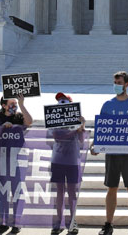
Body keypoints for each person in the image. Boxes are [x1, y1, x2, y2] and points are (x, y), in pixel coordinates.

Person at [91, 71, 128, 235]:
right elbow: (101, 128)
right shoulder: (107, 104)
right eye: (115, 82)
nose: (116, 85)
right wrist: (93, 146)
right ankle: (108, 224)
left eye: (119, 82)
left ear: (127, 84)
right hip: (112, 153)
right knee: (111, 188)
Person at [0, 94, 32, 235]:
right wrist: (1, 128)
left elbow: (29, 122)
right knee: (2, 191)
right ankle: (4, 222)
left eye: (15, 103)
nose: (14, 105)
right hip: (1, 158)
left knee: (17, 190)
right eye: (11, 103)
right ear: (4, 105)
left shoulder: (19, 116)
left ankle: (17, 222)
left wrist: (22, 104)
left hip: (17, 158)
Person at [50, 92, 86, 235]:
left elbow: (82, 140)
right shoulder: (53, 119)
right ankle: (59, 220)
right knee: (59, 191)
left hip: (72, 161)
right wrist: (74, 130)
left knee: (72, 192)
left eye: (64, 101)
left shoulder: (76, 121)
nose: (61, 103)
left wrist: (81, 126)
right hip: (58, 160)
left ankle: (72, 220)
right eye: (60, 101)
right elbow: (57, 136)